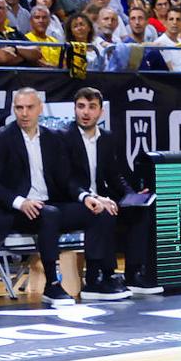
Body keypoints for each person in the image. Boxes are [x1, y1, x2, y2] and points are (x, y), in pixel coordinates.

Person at [0, 88, 118, 307]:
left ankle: (95, 279)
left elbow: (67, 179)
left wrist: (87, 197)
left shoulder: (52, 138)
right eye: (19, 108)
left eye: (29, 107)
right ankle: (52, 284)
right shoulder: (0, 138)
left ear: (40, 109)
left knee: (98, 211)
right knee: (50, 214)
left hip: (49, 206)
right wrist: (20, 202)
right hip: (15, 211)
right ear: (14, 109)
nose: (24, 113)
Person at [61, 87, 150, 299]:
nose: (85, 112)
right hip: (74, 200)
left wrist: (131, 196)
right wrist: (91, 197)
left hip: (102, 197)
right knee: (102, 212)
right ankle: (98, 276)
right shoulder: (63, 137)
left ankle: (134, 272)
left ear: (100, 112)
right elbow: (65, 180)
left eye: (92, 107)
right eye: (81, 106)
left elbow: (114, 175)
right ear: (74, 109)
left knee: (140, 210)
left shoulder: (108, 138)